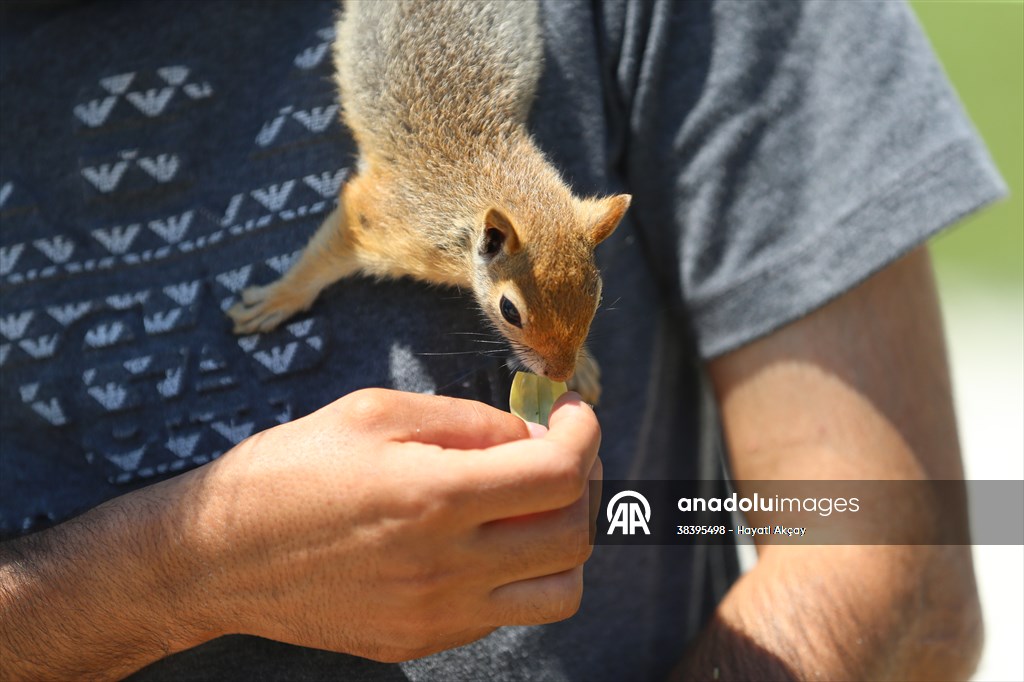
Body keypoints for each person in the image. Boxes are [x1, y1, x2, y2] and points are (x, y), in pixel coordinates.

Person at [0, 0, 1003, 680]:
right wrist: (188, 567)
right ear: (486, 250)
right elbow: (361, 222)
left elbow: (884, 545)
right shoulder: (430, 229)